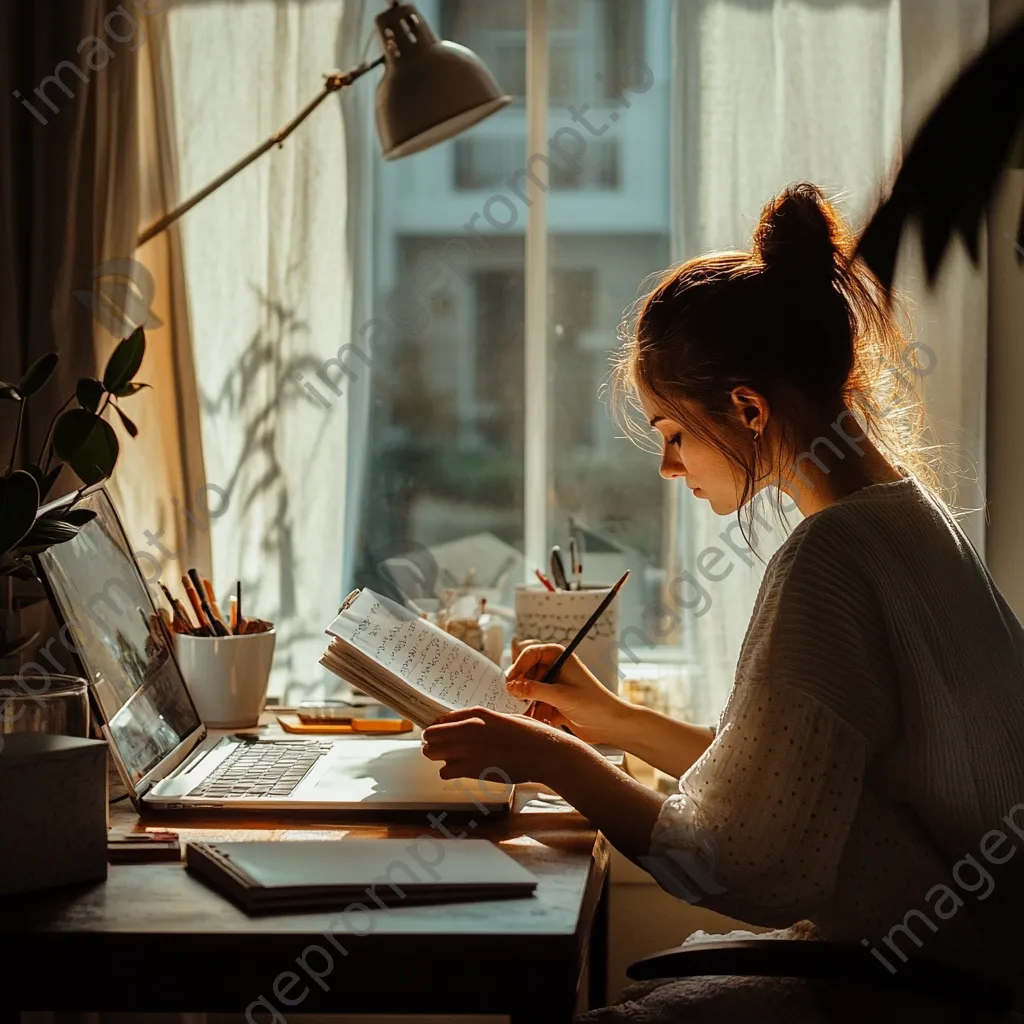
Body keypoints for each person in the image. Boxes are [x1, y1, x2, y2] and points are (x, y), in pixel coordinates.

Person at [421, 182, 1024, 1020]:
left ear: (747, 407)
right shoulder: (912, 520)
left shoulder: (831, 557)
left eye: (672, 434)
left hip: (912, 990)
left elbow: (737, 860)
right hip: (966, 973)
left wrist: (550, 759)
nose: (667, 468)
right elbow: (793, 776)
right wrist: (611, 721)